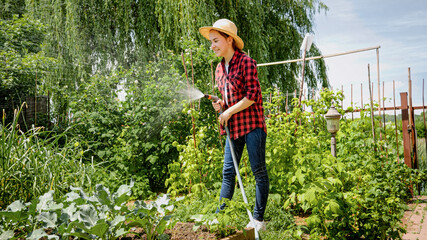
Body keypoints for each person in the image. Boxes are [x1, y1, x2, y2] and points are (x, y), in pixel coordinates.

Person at [199, 19, 269, 231]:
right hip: (233, 128)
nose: (212, 46)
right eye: (211, 42)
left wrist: (228, 110)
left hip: (252, 125)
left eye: (216, 41)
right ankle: (222, 217)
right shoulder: (219, 69)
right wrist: (221, 105)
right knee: (228, 173)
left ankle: (258, 220)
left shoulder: (246, 62)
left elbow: (253, 95)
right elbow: (227, 99)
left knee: (258, 171)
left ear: (229, 40)